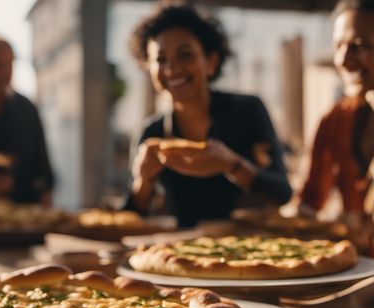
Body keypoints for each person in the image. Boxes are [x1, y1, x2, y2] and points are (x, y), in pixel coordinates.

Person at [125, 4, 292, 227]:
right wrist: (143, 182)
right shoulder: (151, 133)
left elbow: (282, 192)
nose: (171, 69)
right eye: (161, 59)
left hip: (251, 249)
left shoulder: (248, 111)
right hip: (180, 254)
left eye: (185, 55)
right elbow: (130, 221)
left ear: (211, 63)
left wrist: (233, 165)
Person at [299, 0, 374, 227]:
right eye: (338, 46)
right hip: (356, 261)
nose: (343, 61)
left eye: (359, 46)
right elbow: (309, 207)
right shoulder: (335, 119)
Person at [0, 34, 54, 205]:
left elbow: (43, 171)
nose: (3, 72)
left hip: (21, 215)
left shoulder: (26, 110)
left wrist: (16, 184)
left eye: (8, 65)